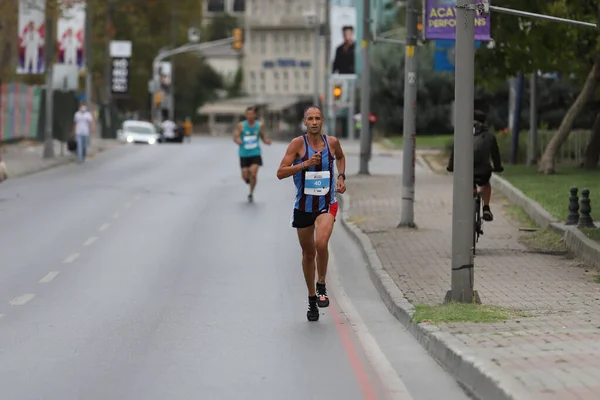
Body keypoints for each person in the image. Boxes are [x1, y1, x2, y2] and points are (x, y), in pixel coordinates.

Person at [276, 106, 347, 322]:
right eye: (310, 119)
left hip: (327, 203)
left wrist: (341, 176)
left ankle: (322, 283)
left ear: (322, 121)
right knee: (308, 254)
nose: (314, 122)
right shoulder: (297, 144)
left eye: (317, 118)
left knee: (321, 243)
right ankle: (311, 298)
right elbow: (280, 172)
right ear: (304, 122)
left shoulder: (332, 143)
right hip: (304, 207)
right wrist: (304, 164)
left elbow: (341, 157)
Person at [446, 110, 504, 221]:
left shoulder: (462, 134)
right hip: (483, 171)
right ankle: (486, 208)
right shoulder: (489, 136)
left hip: (464, 170)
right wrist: (498, 167)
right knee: (485, 184)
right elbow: (495, 155)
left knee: (465, 185)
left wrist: (451, 166)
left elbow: (455, 151)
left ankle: (464, 210)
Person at [233, 106, 272, 202]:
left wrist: (266, 141)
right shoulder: (241, 125)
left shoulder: (259, 125)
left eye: (252, 114)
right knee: (245, 176)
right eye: (248, 114)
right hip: (244, 154)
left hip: (255, 153)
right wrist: (238, 141)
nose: (250, 116)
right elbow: (236, 136)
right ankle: (248, 179)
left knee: (253, 173)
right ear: (246, 115)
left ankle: (251, 192)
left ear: (255, 115)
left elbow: (263, 137)